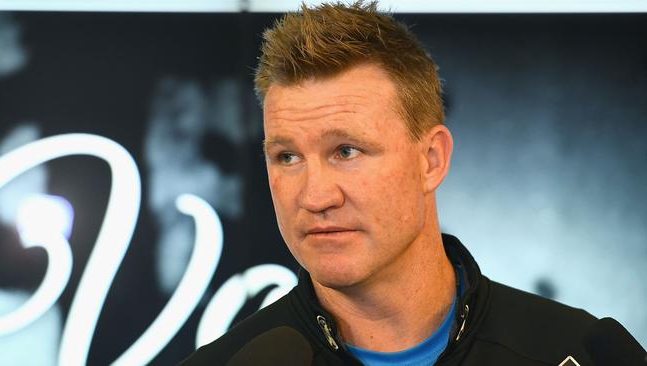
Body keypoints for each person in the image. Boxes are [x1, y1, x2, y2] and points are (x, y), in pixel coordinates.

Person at [182, 2, 600, 365]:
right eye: (287, 157)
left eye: (346, 151)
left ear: (431, 160)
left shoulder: (580, 353)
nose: (315, 197)